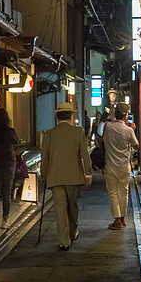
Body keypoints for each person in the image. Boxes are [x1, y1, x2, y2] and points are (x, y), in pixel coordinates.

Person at [40, 101, 92, 250]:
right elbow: (84, 154)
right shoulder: (78, 132)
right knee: (72, 206)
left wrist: (44, 176)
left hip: (55, 177)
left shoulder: (49, 134)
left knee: (60, 209)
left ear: (57, 117)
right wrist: (88, 172)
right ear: (70, 116)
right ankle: (72, 231)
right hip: (74, 177)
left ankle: (64, 241)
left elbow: (45, 158)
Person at [102, 106, 139, 230]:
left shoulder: (108, 126)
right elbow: (136, 145)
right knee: (124, 192)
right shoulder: (128, 130)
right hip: (124, 165)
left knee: (113, 193)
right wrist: (132, 129)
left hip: (110, 165)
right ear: (125, 115)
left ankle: (117, 219)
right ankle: (122, 218)